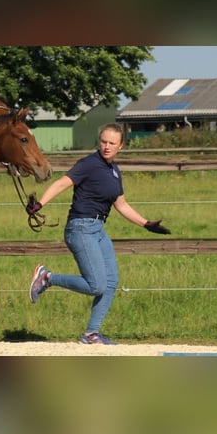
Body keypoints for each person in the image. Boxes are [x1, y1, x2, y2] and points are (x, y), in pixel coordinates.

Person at [26, 123, 171, 345]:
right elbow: (62, 183)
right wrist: (40, 205)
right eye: (103, 141)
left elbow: (121, 204)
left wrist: (146, 224)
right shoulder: (89, 164)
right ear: (99, 141)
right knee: (96, 285)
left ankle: (91, 334)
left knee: (111, 282)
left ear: (121, 145)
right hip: (81, 228)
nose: (106, 146)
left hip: (98, 230)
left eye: (112, 143)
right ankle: (47, 278)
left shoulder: (114, 171)